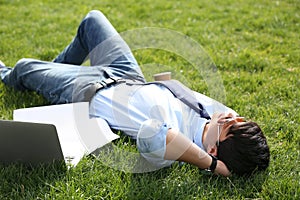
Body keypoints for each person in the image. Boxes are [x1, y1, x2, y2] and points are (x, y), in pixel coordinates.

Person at [0, 10, 270, 176]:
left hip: (92, 89)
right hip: (128, 74)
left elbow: (152, 133)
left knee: (23, 68)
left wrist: (211, 165)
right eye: (237, 117)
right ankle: (52, 71)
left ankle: (8, 74)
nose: (228, 115)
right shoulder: (215, 117)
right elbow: (175, 86)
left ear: (212, 149)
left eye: (228, 124)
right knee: (92, 21)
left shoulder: (174, 148)